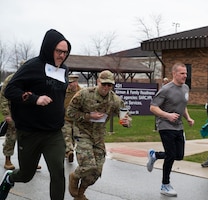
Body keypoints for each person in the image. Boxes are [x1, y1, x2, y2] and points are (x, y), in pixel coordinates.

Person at [0, 29, 71, 200]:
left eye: (65, 52)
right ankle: (10, 177)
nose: (62, 56)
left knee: (58, 173)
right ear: (48, 48)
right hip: (30, 133)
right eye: (58, 51)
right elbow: (10, 90)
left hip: (53, 133)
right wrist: (34, 98)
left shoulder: (64, 70)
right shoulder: (32, 66)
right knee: (26, 175)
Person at [67, 70, 132, 200]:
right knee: (88, 165)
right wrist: (88, 116)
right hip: (82, 132)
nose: (106, 88)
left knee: (96, 172)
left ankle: (80, 194)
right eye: (104, 84)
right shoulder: (84, 94)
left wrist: (126, 122)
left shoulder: (115, 100)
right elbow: (70, 112)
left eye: (110, 85)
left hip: (98, 137)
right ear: (98, 82)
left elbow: (125, 117)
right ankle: (74, 176)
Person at [147, 62, 194, 197]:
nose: (185, 75)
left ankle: (154, 155)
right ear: (174, 74)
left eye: (186, 73)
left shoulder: (185, 88)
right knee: (171, 154)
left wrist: (188, 118)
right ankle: (165, 185)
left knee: (179, 155)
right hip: (165, 125)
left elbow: (182, 105)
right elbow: (153, 107)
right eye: (182, 73)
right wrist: (167, 115)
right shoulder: (166, 89)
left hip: (178, 125)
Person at [63, 74, 81, 163]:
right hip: (65, 118)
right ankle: (69, 151)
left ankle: (69, 152)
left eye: (71, 83)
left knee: (74, 135)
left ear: (76, 82)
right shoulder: (64, 92)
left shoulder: (81, 92)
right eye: (68, 82)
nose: (69, 84)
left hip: (76, 119)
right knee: (67, 134)